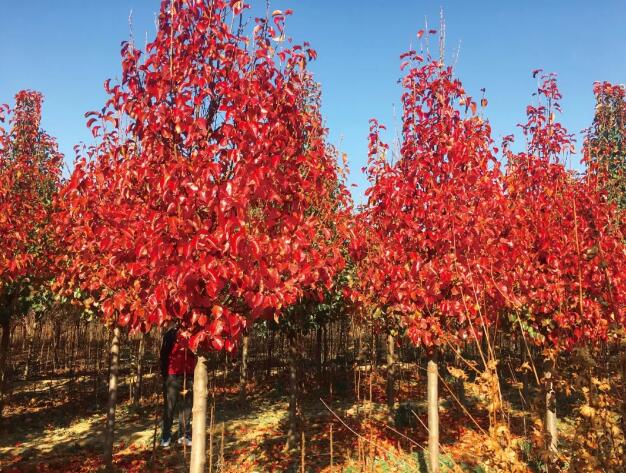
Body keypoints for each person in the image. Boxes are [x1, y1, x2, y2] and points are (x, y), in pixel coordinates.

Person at [160, 321, 196, 447]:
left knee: (186, 406)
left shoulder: (195, 333)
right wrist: (165, 374)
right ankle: (166, 435)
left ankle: (184, 434)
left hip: (189, 375)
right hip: (173, 375)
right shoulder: (171, 334)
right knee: (170, 406)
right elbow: (164, 354)